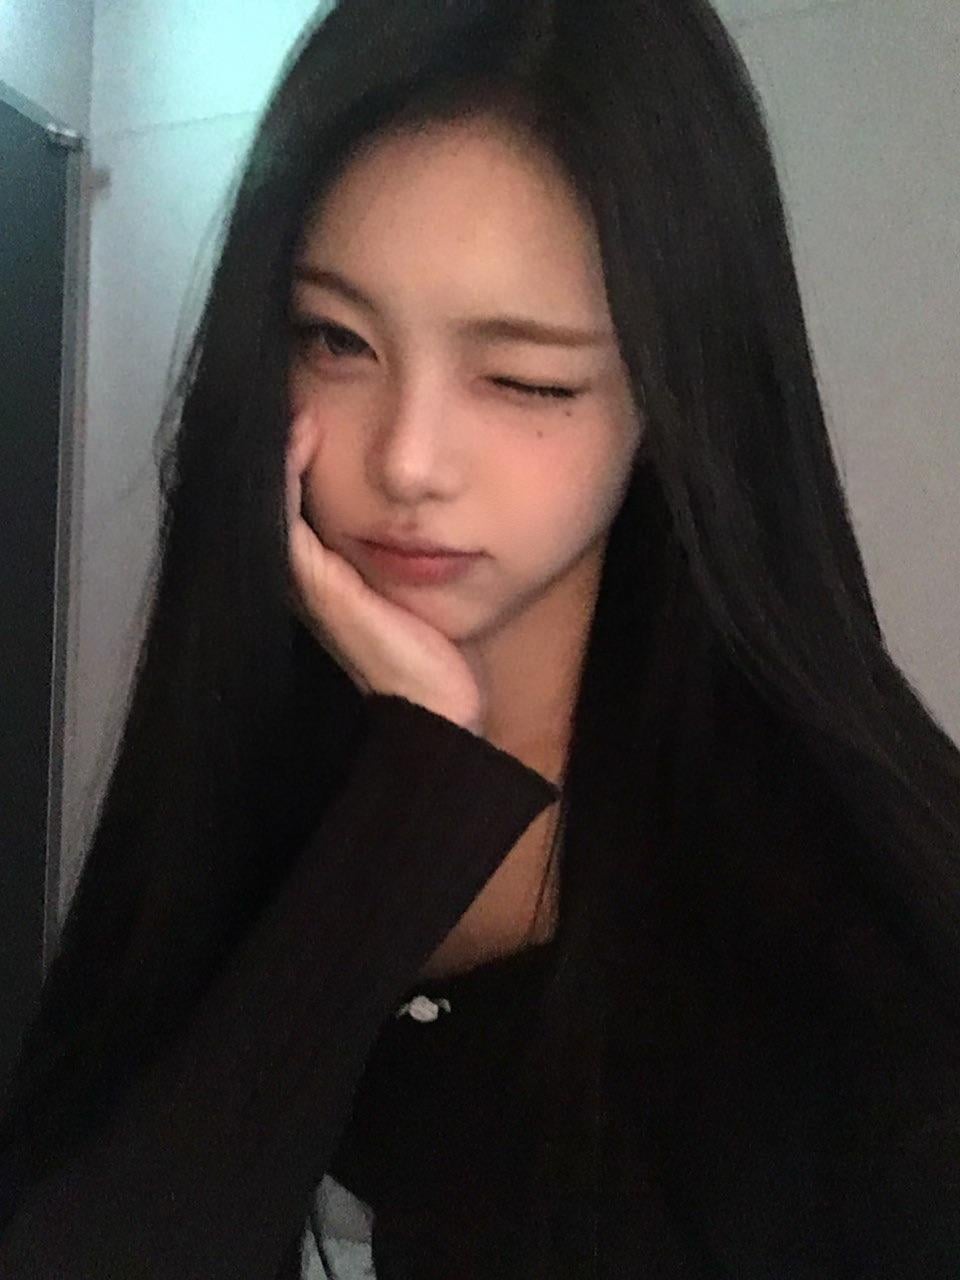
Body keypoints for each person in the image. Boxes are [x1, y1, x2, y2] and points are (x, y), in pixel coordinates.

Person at [1, 0, 958, 1276]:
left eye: (524, 378)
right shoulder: (262, 766)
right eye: (335, 339)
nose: (408, 460)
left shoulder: (855, 936)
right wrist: (418, 793)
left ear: (678, 393)